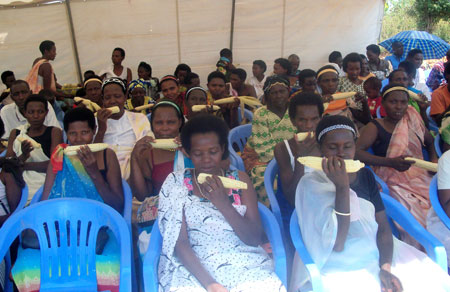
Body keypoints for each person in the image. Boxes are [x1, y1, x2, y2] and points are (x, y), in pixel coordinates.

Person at [290, 114, 450, 292]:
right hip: (335, 259)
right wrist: (342, 188)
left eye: (348, 146)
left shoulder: (365, 176)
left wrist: (385, 268)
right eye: (333, 147)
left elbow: (382, 227)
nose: (341, 153)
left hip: (377, 249)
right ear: (320, 148)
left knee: (426, 280)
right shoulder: (311, 183)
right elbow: (337, 243)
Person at [158, 114, 286, 291]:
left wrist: (224, 204)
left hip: (244, 262)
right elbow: (180, 243)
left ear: (223, 149)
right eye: (197, 154)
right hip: (194, 267)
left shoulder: (240, 180)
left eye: (213, 152)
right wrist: (211, 285)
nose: (207, 160)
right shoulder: (176, 183)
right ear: (186, 152)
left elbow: (253, 238)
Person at [12, 107, 123, 292]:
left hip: (98, 225)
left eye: (85, 133)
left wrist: (94, 172)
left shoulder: (106, 155)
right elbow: (46, 198)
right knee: (26, 262)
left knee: (110, 263)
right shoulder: (59, 157)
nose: (79, 139)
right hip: (60, 225)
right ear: (66, 134)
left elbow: (117, 204)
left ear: (94, 130)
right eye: (73, 134)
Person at [355, 84, 437, 229]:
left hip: (420, 175)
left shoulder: (412, 121)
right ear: (384, 103)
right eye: (393, 102)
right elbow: (356, 152)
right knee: (417, 216)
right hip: (392, 179)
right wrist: (390, 162)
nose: (399, 106)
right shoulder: (375, 126)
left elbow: (430, 142)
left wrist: (434, 160)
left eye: (403, 102)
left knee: (439, 204)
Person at [129, 100, 185, 255]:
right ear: (151, 125)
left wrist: (191, 153)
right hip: (161, 213)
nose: (165, 128)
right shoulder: (148, 152)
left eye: (171, 122)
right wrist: (135, 157)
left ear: (180, 122)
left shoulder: (192, 145)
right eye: (159, 123)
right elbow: (142, 195)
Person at [242, 75, 296, 207]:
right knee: (264, 176)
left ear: (288, 92)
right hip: (261, 157)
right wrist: (287, 162)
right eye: (274, 93)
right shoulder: (261, 114)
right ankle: (269, 212)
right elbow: (263, 148)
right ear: (267, 95)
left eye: (282, 91)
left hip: (291, 155)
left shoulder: (295, 111)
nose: (278, 96)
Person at [274, 92, 323, 225]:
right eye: (302, 120)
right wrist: (301, 157)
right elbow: (291, 197)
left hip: (324, 204)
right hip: (298, 210)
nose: (308, 125)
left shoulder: (327, 145)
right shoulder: (283, 148)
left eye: (314, 119)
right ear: (292, 120)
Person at [6, 94, 63, 202]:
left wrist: (24, 165)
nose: (36, 116)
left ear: (46, 113)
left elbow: (55, 164)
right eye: (31, 112)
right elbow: (8, 164)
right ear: (25, 113)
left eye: (40, 112)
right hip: (20, 183)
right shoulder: (17, 133)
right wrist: (24, 155)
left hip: (46, 182)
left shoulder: (54, 132)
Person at [94, 77, 152, 180]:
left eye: (117, 96)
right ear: (102, 100)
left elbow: (147, 147)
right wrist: (101, 129)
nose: (113, 101)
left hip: (135, 169)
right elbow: (93, 154)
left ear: (125, 97)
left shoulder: (139, 118)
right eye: (107, 98)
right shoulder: (96, 121)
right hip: (105, 171)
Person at [337, 53, 372, 126]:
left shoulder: (366, 84)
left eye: (357, 69)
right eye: (351, 69)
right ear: (345, 69)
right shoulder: (341, 82)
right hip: (345, 118)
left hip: (363, 118)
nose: (354, 72)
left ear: (361, 68)